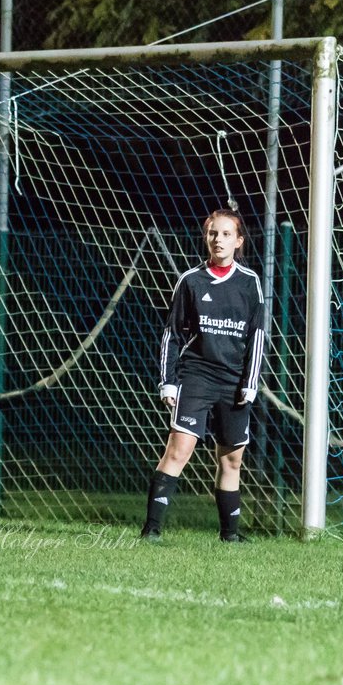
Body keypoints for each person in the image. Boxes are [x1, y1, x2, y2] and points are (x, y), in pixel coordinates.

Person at [141, 208, 265, 543]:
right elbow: (172, 334)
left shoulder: (249, 282)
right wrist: (168, 380)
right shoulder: (191, 280)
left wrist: (250, 383)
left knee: (232, 459)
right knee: (178, 450)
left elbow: (256, 336)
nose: (218, 240)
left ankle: (230, 536)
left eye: (226, 234)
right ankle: (151, 530)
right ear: (206, 237)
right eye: (213, 233)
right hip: (197, 376)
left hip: (234, 381)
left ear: (238, 241)